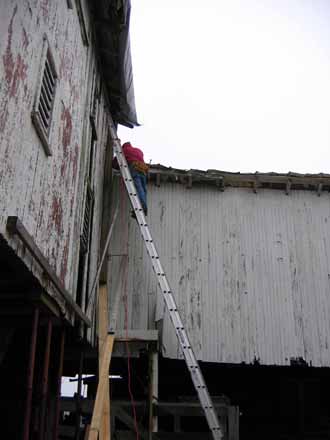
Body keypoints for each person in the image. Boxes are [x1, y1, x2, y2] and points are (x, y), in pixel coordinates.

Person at [113, 142, 149, 216]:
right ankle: (144, 208)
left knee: (138, 188)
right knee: (143, 189)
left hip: (134, 167)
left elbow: (115, 162)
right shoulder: (138, 150)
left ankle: (141, 207)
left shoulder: (124, 150)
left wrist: (115, 165)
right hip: (143, 169)